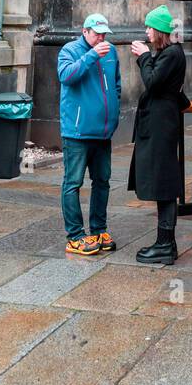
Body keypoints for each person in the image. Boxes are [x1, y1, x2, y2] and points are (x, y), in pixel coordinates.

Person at [129, 5, 189, 266]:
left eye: (149, 27)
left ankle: (165, 245)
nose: (146, 31)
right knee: (161, 181)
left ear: (159, 31)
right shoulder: (169, 53)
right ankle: (167, 243)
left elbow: (152, 82)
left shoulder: (172, 54)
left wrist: (143, 57)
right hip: (159, 122)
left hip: (161, 125)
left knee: (163, 183)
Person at [57, 13, 121, 257]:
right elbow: (66, 76)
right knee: (73, 182)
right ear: (85, 31)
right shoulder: (69, 50)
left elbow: (116, 84)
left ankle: (98, 230)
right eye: (97, 34)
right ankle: (74, 236)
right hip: (77, 130)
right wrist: (92, 55)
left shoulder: (111, 52)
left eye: (104, 34)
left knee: (102, 180)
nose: (101, 38)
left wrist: (113, 114)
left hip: (103, 130)